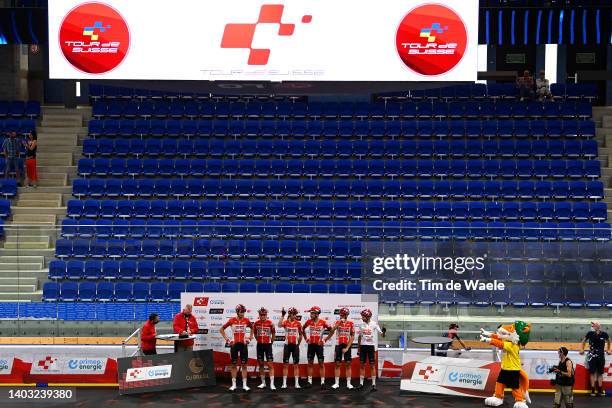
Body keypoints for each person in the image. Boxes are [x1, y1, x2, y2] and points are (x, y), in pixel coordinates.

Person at [220, 304, 253, 392]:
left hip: (243, 345)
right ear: (237, 312)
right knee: (233, 365)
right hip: (234, 345)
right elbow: (221, 329)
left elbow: (252, 328)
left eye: (243, 312)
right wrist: (227, 340)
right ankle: (233, 385)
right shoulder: (231, 320)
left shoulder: (246, 320)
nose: (243, 313)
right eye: (241, 312)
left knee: (244, 365)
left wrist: (249, 338)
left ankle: (244, 385)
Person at [324, 307, 355, 389]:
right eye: (341, 315)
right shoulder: (337, 322)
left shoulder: (351, 323)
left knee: (348, 364)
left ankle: (348, 383)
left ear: (346, 315)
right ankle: (336, 383)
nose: (342, 316)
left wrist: (347, 348)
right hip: (338, 345)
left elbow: (352, 336)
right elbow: (332, 331)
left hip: (347, 345)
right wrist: (339, 323)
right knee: (337, 364)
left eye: (344, 315)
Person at [356, 308, 385, 391]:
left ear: (368, 317)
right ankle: (361, 384)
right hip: (363, 347)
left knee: (372, 366)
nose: (362, 318)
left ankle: (373, 384)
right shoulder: (361, 325)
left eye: (363, 316)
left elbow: (382, 335)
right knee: (362, 365)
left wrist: (384, 332)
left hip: (371, 347)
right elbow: (359, 337)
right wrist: (358, 348)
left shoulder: (374, 324)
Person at [579, 321, 611, 396]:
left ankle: (599, 390)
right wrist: (581, 349)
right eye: (593, 325)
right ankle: (593, 390)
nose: (594, 326)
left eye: (595, 325)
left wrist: (609, 349)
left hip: (601, 356)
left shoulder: (604, 334)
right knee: (592, 372)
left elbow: (609, 342)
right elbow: (583, 341)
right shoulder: (590, 333)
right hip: (592, 356)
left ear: (599, 326)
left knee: (600, 373)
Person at [302, 305, 331, 388]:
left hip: (319, 346)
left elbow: (331, 331)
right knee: (310, 363)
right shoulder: (308, 322)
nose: (310, 315)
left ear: (317, 314)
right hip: (311, 345)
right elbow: (302, 329)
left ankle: (322, 382)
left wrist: (324, 340)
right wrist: (306, 339)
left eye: (312, 313)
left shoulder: (323, 322)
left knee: (321, 364)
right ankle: (309, 382)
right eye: (310, 313)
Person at [278, 307, 303, 389]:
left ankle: (297, 384)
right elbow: (279, 325)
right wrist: (282, 315)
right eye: (293, 314)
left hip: (295, 346)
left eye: (295, 314)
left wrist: (298, 344)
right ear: (290, 314)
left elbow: (300, 335)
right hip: (287, 346)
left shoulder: (298, 323)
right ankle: (284, 383)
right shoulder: (285, 322)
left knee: (296, 365)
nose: (295, 315)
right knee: (285, 365)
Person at [254, 307, 276, 390]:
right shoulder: (256, 323)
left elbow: (273, 334)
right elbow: (255, 334)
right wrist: (258, 340)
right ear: (259, 315)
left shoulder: (271, 323)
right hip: (259, 345)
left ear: (266, 315)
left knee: (270, 364)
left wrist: (271, 342)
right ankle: (263, 383)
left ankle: (272, 384)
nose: (263, 316)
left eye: (264, 315)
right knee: (261, 364)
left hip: (268, 345)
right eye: (261, 315)